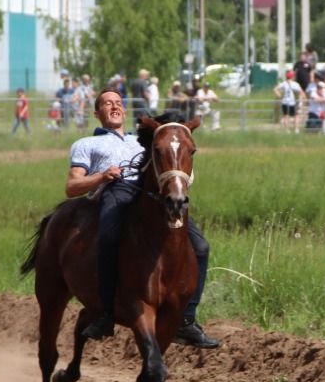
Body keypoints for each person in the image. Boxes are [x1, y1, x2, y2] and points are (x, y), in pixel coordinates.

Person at [70, 89, 218, 349]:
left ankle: (187, 320)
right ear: (97, 113)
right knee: (108, 238)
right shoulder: (86, 144)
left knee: (202, 247)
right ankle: (105, 313)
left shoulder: (140, 141)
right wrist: (102, 176)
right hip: (114, 192)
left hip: (152, 196)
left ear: (124, 110)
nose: (114, 107)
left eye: (118, 103)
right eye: (107, 104)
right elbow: (72, 186)